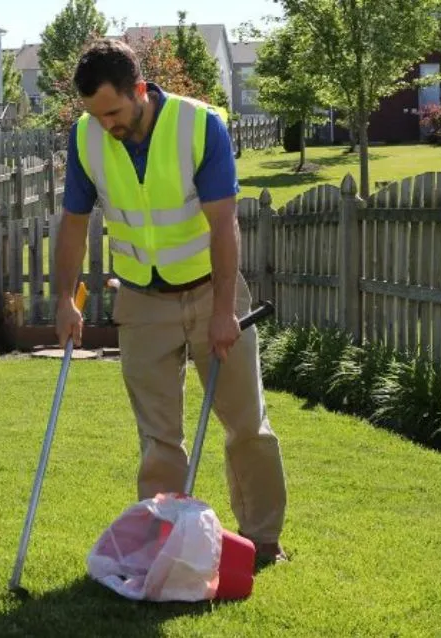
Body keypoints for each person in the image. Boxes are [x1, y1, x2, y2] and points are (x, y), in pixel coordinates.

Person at [54, 38, 288, 565]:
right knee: (158, 436)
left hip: (211, 290)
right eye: (95, 113)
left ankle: (262, 542)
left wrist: (226, 310)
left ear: (140, 89)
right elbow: (72, 223)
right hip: (140, 300)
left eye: (113, 110)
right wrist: (65, 299)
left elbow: (223, 224)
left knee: (245, 424)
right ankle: (162, 543)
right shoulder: (87, 138)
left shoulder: (199, 126)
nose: (106, 123)